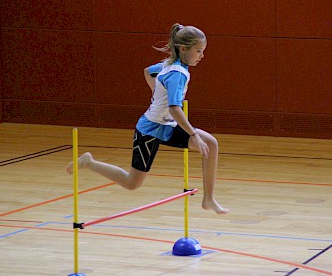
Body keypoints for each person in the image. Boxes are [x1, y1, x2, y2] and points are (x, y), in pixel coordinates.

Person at [67, 23, 229, 214]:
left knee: (211, 144)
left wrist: (156, 91)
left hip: (167, 125)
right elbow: (175, 108)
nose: (202, 56)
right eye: (199, 51)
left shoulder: (170, 65)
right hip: (150, 130)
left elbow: (147, 71)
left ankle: (208, 199)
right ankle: (88, 162)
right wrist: (193, 134)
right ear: (183, 49)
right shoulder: (177, 74)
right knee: (132, 183)